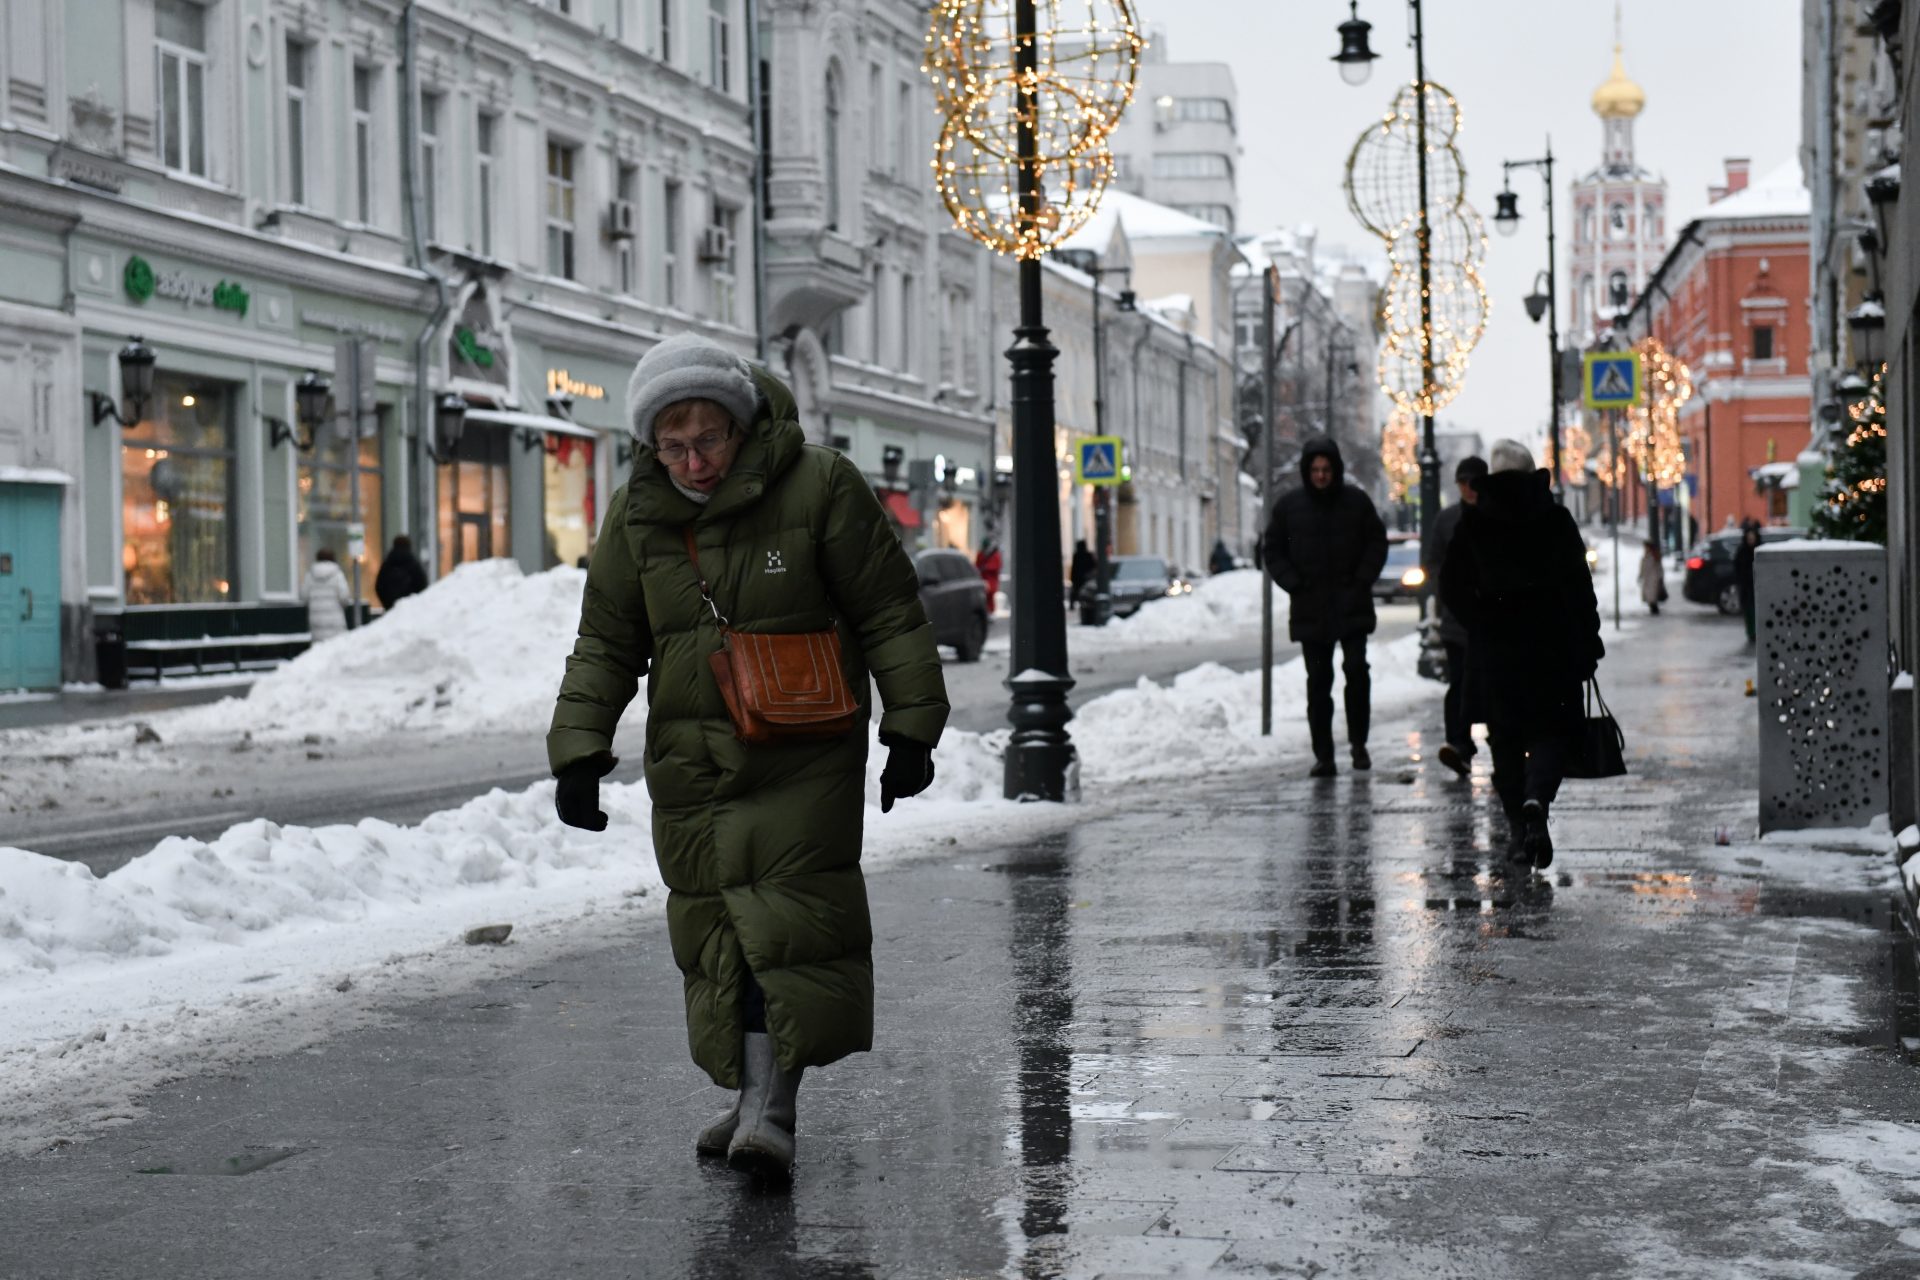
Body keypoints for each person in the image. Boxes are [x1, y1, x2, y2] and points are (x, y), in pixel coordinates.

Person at [547, 332, 949, 1181]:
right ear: (651, 444)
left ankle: (772, 1109)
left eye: (709, 441)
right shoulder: (638, 513)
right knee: (717, 930)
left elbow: (888, 611)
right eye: (673, 446)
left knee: (784, 922)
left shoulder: (820, 484)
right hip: (692, 756)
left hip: (800, 744)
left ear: (739, 422)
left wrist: (912, 724)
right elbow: (606, 642)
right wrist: (579, 750)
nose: (693, 463)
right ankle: (749, 1091)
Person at [1440, 439, 1604, 869]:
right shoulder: (1554, 519)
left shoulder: (1474, 524)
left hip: (1496, 655)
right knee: (1551, 732)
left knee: (1505, 741)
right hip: (1552, 649)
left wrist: (1481, 618)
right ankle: (1538, 800)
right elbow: (1579, 588)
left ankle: (1517, 829)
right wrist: (1588, 641)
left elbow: (1451, 585)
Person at [1263, 434, 1389, 777]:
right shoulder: (1289, 508)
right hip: (1310, 608)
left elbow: (1376, 542)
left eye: (1326, 468)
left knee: (1356, 675)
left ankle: (1359, 746)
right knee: (1318, 683)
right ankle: (1324, 755)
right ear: (1307, 471)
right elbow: (1272, 550)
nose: (1321, 475)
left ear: (1335, 469)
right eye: (1315, 469)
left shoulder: (1356, 502)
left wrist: (1362, 578)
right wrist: (1294, 583)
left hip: (1351, 605)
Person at [1426, 455, 1487, 778]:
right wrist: (1448, 590)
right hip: (1456, 620)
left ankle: (1498, 743)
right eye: (1463, 482)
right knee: (1460, 682)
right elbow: (1433, 562)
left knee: (1491, 682)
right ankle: (1459, 743)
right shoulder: (1447, 520)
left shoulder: (1496, 515)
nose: (1469, 488)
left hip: (1490, 619)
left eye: (1474, 482)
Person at [301, 548, 353, 645]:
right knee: (336, 650)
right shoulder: (337, 575)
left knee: (319, 653)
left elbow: (304, 597)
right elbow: (344, 597)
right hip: (335, 623)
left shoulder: (310, 575)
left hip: (317, 623)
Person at [373, 535, 428, 611]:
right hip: (411, 609)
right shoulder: (413, 564)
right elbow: (422, 584)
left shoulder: (387, 564)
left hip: (391, 609)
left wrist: (388, 605)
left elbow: (379, 586)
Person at [1734, 519, 1761, 644]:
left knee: (1757, 610)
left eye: (1752, 538)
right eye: (1749, 538)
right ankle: (1751, 633)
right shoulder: (1742, 551)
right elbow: (1737, 568)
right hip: (1747, 587)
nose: (1751, 540)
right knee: (1749, 611)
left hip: (1758, 586)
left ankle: (1757, 632)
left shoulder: (1760, 551)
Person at [1638, 539, 1667, 616]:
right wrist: (1640, 575)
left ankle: (1654, 609)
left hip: (1654, 578)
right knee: (1649, 596)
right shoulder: (1646, 555)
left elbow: (1659, 568)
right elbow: (1642, 567)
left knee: (1652, 596)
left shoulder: (1654, 556)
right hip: (1648, 578)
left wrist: (1660, 577)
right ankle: (1653, 608)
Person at [974, 537, 1003, 612]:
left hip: (991, 580)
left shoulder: (995, 555)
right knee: (983, 597)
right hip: (982, 579)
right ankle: (986, 611)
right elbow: (977, 565)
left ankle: (990, 611)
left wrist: (985, 567)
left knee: (990, 596)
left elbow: (996, 566)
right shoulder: (981, 554)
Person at [1069, 538, 1096, 604]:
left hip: (1080, 578)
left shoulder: (1077, 555)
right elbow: (1093, 565)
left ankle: (1074, 604)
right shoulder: (1087, 555)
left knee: (1077, 592)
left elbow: (1074, 568)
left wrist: (1072, 578)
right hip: (1085, 578)